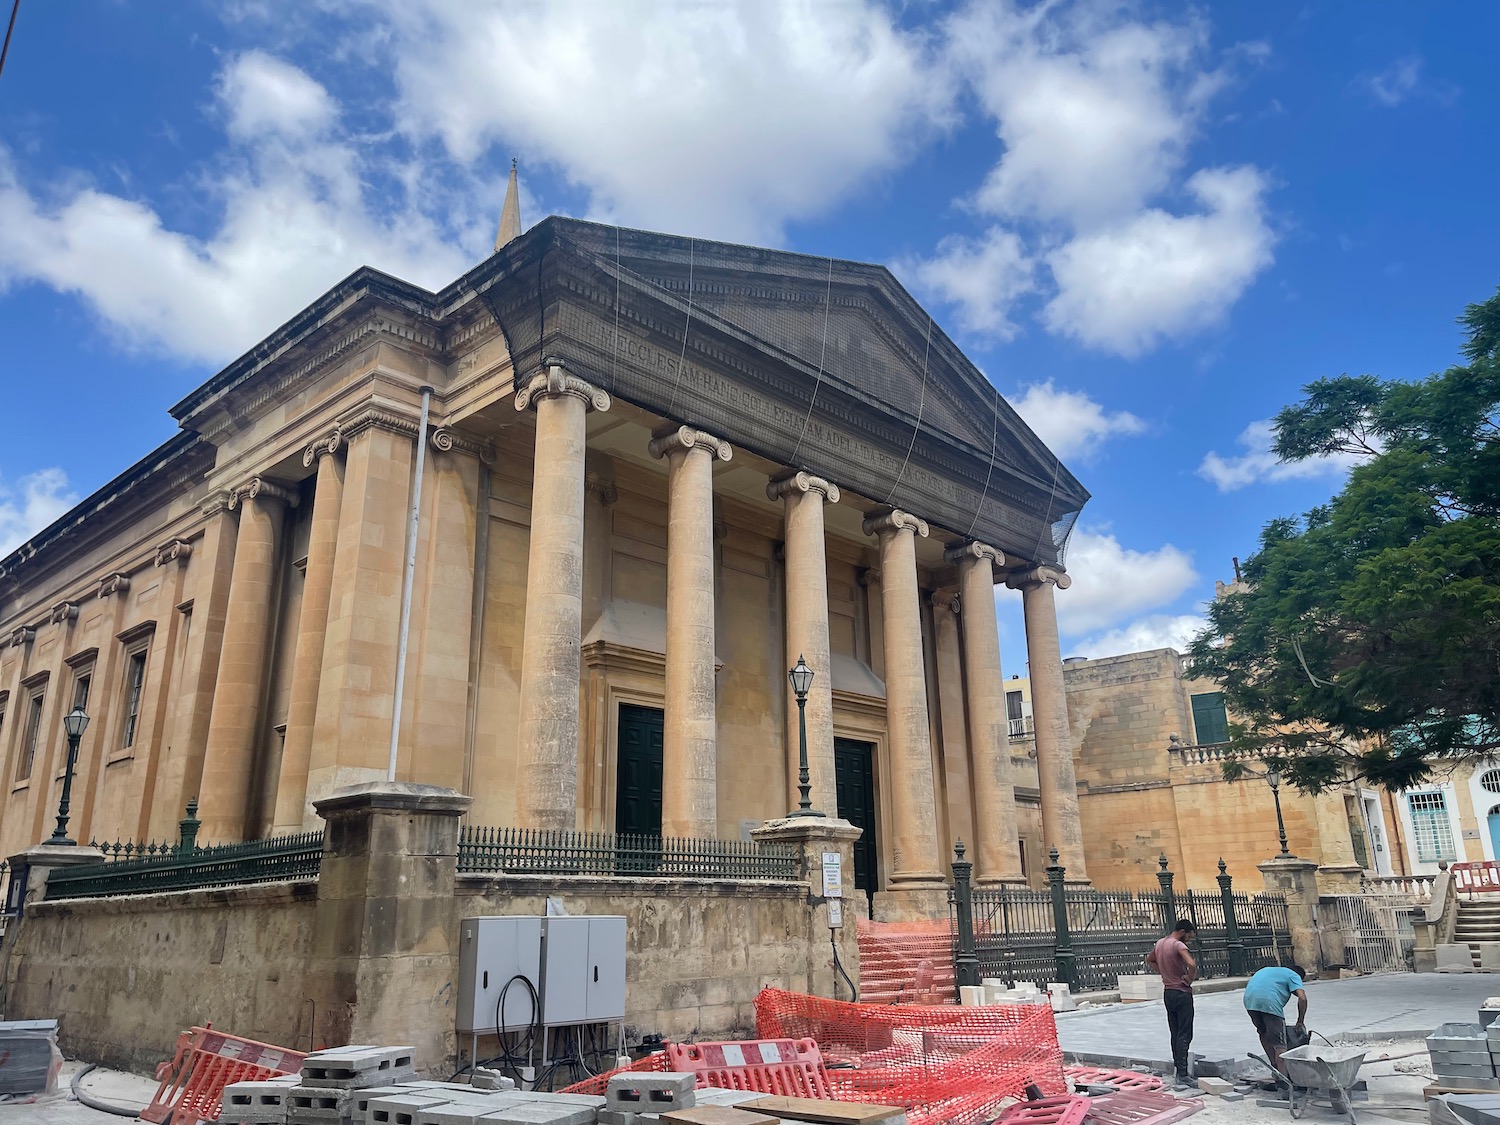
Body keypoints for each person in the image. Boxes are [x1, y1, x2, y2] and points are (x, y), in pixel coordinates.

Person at [1145, 919, 1198, 1087]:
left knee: (1174, 1032)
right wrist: (1189, 978)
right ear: (1182, 932)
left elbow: (1150, 959)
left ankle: (1179, 1068)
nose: (1188, 940)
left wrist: (1164, 973)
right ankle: (1182, 1074)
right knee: (1184, 1033)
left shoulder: (1161, 943)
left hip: (1168, 992)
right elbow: (1191, 963)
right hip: (1182, 993)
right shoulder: (1177, 945)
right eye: (1189, 936)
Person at [1243, 963, 1308, 1073]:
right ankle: (1284, 1079)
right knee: (1280, 1043)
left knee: (1263, 1033)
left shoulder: (1267, 969)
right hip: (1269, 1002)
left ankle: (1275, 1067)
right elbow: (1302, 998)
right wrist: (1300, 1021)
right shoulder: (1294, 975)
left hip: (1249, 1001)